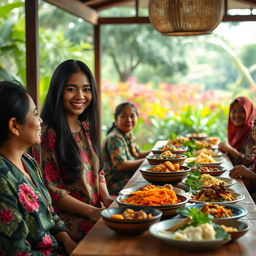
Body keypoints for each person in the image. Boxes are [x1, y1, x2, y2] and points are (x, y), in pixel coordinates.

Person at [32, 59, 113, 242]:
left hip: (94, 214)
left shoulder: (85, 127)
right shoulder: (47, 134)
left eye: (86, 89)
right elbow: (52, 190)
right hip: (67, 225)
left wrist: (107, 199)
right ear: (58, 91)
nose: (80, 96)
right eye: (71, 89)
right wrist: (93, 212)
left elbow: (97, 171)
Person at [0, 81, 76, 255]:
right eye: (35, 114)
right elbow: (18, 251)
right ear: (14, 126)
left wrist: (68, 241)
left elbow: (49, 213)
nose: (40, 120)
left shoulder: (28, 161)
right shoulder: (2, 179)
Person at [102, 102, 150, 195]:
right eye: (124, 116)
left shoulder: (128, 134)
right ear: (116, 119)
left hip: (129, 176)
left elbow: (137, 154)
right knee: (151, 184)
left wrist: (156, 152)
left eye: (132, 116)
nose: (129, 120)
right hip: (114, 182)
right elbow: (121, 165)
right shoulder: (115, 138)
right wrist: (148, 160)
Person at [218, 96, 256, 166]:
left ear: (249, 112)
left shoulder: (253, 133)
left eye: (242, 111)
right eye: (233, 111)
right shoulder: (237, 130)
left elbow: (249, 163)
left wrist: (231, 150)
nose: (237, 115)